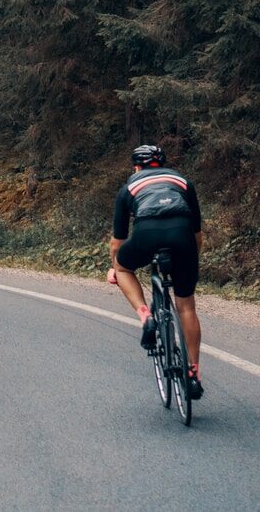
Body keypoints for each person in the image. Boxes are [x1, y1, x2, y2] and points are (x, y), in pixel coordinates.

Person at [107, 144, 204, 398]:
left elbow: (117, 242)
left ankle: (145, 316)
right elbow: (197, 234)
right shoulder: (183, 181)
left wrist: (113, 267)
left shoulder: (129, 187)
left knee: (123, 266)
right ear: (162, 164)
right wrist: (191, 258)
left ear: (136, 167)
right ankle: (193, 373)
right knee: (186, 307)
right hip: (183, 237)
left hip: (146, 233)